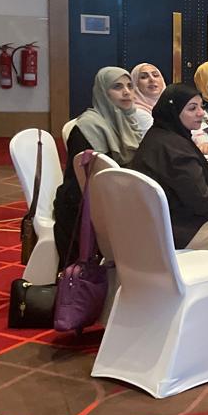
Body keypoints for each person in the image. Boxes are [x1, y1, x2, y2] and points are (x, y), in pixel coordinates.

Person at [130, 83, 208, 259]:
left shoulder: (159, 135)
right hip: (176, 227)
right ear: (174, 111)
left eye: (201, 107)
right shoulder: (176, 149)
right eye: (192, 108)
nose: (201, 113)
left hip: (154, 221)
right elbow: (199, 198)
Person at [53, 67, 141, 267]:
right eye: (117, 87)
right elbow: (89, 179)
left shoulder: (126, 121)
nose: (126, 92)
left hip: (112, 196)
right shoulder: (88, 127)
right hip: (82, 204)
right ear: (102, 92)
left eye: (130, 86)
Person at [128, 62, 165, 138]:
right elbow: (160, 138)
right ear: (135, 84)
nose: (152, 79)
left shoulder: (169, 106)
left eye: (155, 75)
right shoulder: (137, 112)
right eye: (144, 77)